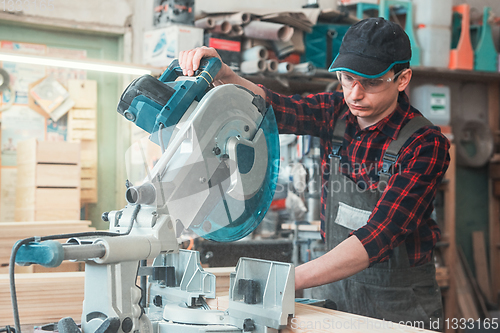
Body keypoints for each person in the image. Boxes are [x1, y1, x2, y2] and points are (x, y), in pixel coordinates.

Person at [179, 17, 450, 330]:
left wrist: (286, 281)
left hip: (399, 303)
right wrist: (226, 75)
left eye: (371, 82)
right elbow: (276, 108)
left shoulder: (425, 144)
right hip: (332, 294)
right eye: (347, 78)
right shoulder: (336, 111)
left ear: (402, 79)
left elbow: (380, 235)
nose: (356, 94)